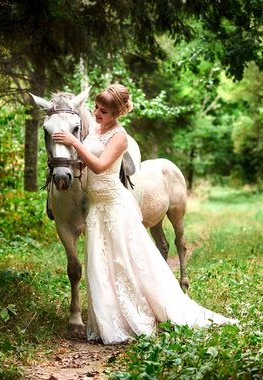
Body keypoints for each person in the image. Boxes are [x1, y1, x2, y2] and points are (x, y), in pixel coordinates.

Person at [52, 84, 238, 345]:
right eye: (95, 107)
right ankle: (107, 318)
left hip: (114, 205)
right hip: (96, 207)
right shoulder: (93, 130)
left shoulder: (120, 137)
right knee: (100, 265)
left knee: (125, 263)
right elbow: (83, 162)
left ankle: (138, 313)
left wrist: (74, 143)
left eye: (103, 111)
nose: (96, 113)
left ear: (117, 113)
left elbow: (100, 165)